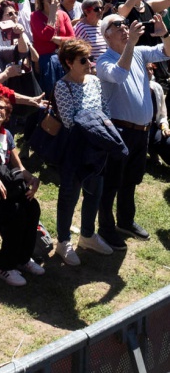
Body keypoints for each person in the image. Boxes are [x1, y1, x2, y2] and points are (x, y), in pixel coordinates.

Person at [96, 14, 170, 249]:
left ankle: (125, 221)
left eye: (125, 24)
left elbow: (167, 52)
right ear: (106, 34)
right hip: (119, 131)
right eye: (117, 25)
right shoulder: (103, 61)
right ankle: (106, 228)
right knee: (111, 182)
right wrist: (130, 44)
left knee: (131, 180)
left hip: (141, 131)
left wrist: (165, 34)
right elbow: (119, 74)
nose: (124, 28)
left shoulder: (138, 52)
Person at [54, 39, 114, 267]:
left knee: (95, 192)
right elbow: (70, 121)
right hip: (75, 150)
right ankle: (63, 241)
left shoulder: (95, 82)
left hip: (97, 148)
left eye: (90, 58)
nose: (89, 63)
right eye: (83, 60)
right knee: (69, 195)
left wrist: (101, 127)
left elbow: (105, 110)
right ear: (69, 63)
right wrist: (97, 123)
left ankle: (87, 235)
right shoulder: (63, 86)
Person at [0, 92, 42, 286]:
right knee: (16, 212)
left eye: (2, 107)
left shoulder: (7, 135)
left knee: (32, 207)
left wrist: (32, 179)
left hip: (4, 191)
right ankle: (5, 267)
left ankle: (23, 258)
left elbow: (19, 167)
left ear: (8, 114)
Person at [30, 0, 75, 96]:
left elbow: (72, 38)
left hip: (63, 59)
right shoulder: (35, 16)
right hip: (46, 62)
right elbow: (46, 35)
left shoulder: (63, 15)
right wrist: (52, 14)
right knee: (51, 95)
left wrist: (58, 39)